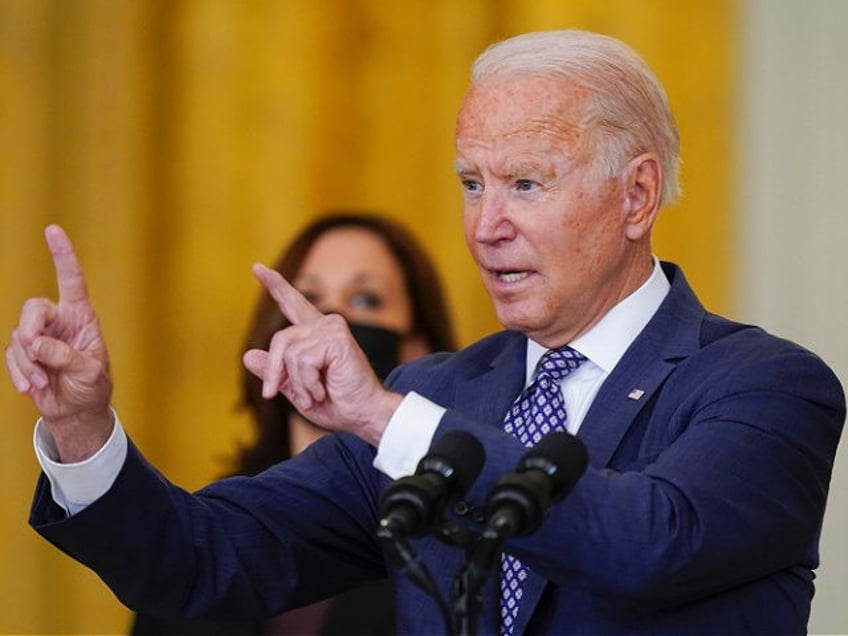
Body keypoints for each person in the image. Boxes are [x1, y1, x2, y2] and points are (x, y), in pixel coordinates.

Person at [7, 29, 845, 635]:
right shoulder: (436, 395)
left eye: (524, 183)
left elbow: (653, 543)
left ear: (636, 195)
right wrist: (82, 429)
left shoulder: (763, 385)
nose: (486, 226)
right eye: (472, 184)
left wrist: (383, 421)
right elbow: (202, 559)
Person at [131, 212, 458, 635]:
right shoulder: (209, 525)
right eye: (310, 298)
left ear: (418, 349)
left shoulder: (457, 537)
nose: (330, 320)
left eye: (365, 300)